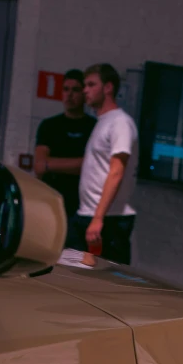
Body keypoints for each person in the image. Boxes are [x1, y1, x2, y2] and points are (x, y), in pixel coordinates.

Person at [66, 63, 138, 265]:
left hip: (108, 219)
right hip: (88, 215)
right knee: (73, 273)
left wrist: (98, 219)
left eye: (91, 84)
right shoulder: (102, 122)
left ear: (108, 87)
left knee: (107, 282)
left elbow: (117, 171)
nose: (85, 90)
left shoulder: (120, 123)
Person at [34, 69, 97, 217]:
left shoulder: (94, 127)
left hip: (82, 204)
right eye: (66, 89)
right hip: (51, 200)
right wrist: (78, 164)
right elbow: (39, 166)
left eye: (75, 90)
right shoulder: (49, 125)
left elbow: (92, 167)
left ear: (84, 94)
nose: (69, 95)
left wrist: (50, 164)